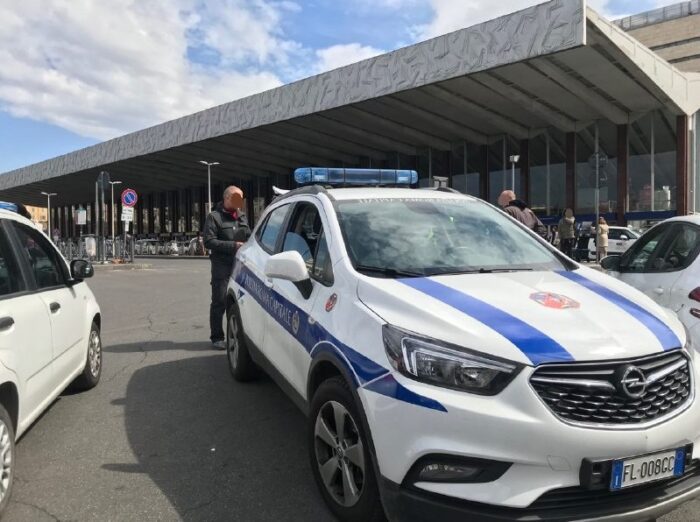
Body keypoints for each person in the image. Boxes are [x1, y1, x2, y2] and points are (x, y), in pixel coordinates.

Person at [204, 186, 251, 350]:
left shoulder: (242, 217)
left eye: (241, 197)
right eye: (236, 197)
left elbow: (249, 236)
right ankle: (217, 337)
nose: (239, 201)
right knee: (220, 301)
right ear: (226, 198)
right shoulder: (214, 217)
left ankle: (239, 334)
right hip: (221, 266)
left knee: (241, 302)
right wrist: (233, 246)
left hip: (240, 265)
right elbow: (208, 241)